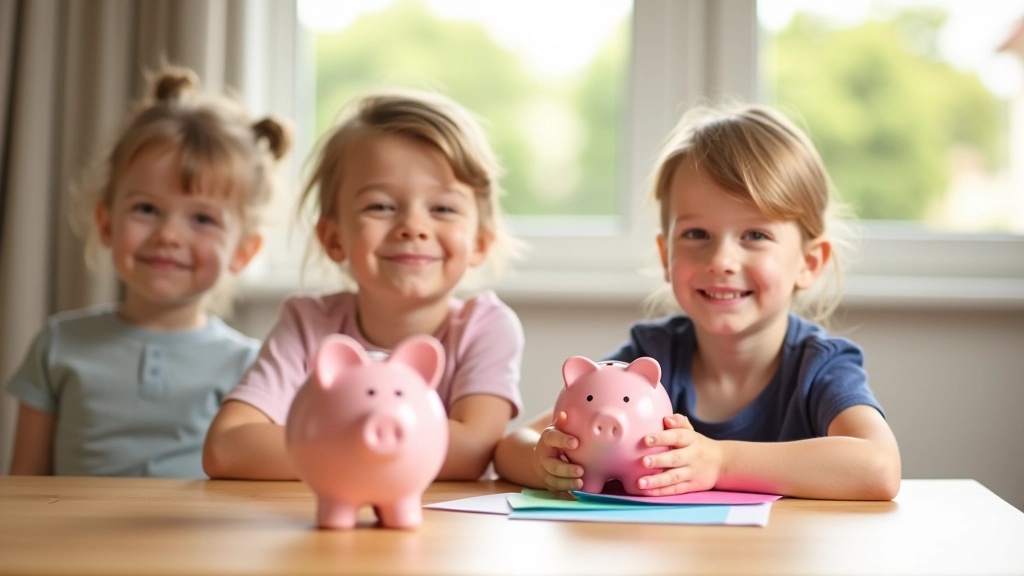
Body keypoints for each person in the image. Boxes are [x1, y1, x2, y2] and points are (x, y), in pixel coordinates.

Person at [493, 104, 901, 500]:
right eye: (696, 235)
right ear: (665, 255)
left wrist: (720, 461)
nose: (722, 260)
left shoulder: (820, 366)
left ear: (809, 263)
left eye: (755, 236)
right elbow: (513, 446)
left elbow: (879, 468)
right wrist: (547, 462)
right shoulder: (650, 359)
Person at [203, 89, 524, 480]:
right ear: (334, 238)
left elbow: (470, 452)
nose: (413, 228)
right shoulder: (307, 324)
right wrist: (375, 446)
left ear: (479, 242)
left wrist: (329, 447)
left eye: (442, 208)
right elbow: (227, 447)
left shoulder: (485, 328)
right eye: (381, 206)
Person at [6, 65, 292, 477]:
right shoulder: (57, 345)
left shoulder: (250, 366)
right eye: (147, 209)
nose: (169, 235)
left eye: (202, 220)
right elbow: (23, 488)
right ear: (106, 223)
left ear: (243, 252)